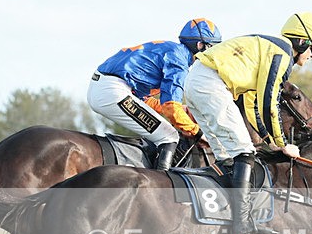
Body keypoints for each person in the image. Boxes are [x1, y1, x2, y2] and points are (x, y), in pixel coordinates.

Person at [183, 12, 312, 234]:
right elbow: (269, 101)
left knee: (226, 156)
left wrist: (266, 137)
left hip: (197, 82)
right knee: (244, 152)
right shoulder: (281, 53)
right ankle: (241, 223)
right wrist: (280, 143)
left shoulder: (270, 50)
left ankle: (222, 215)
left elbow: (254, 103)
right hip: (210, 84)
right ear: (302, 42)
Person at [87, 18, 222, 170]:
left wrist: (181, 110)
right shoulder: (179, 61)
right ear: (200, 45)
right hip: (112, 91)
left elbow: (145, 100)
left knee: (160, 131)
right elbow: (171, 108)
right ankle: (161, 188)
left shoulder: (172, 50)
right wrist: (197, 133)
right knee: (169, 136)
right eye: (211, 49)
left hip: (106, 87)